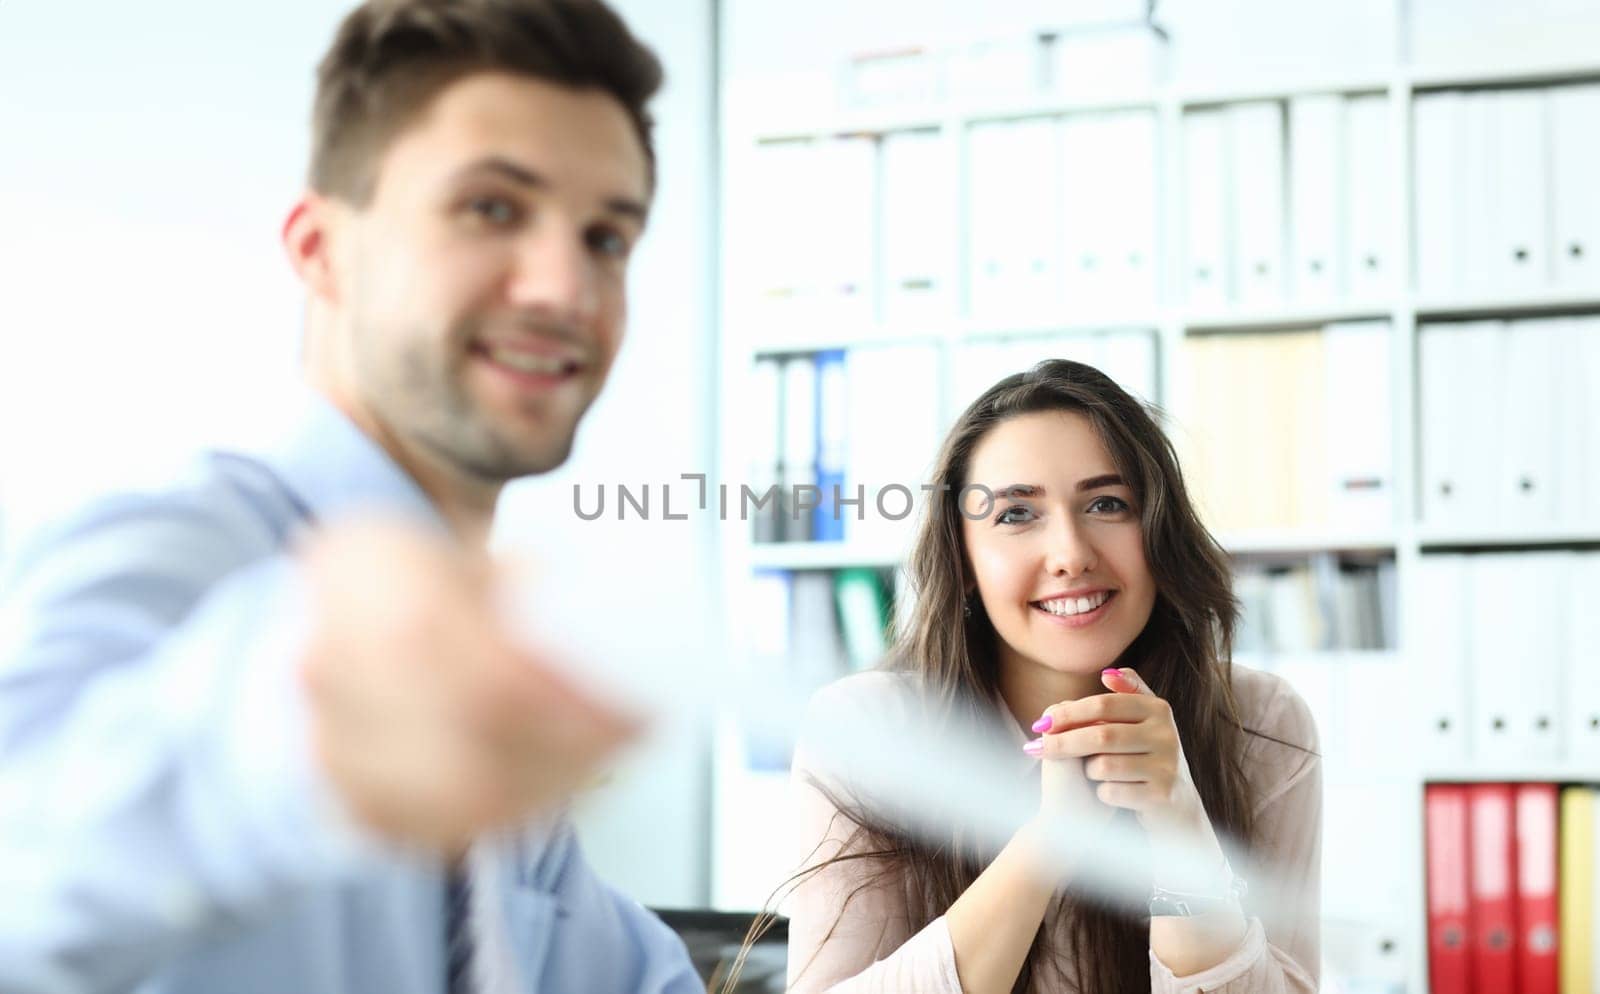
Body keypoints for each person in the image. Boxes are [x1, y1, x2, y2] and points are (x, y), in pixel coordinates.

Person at [0, 2, 702, 992]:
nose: (563, 286)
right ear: (319, 247)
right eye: (492, 208)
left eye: (605, 236)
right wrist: (286, 724)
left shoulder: (485, 681)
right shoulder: (173, 540)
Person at [781, 360, 1322, 993]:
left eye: (1107, 503)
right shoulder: (868, 729)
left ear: (1159, 533)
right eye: (1016, 515)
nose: (1070, 553)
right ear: (962, 558)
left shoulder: (1258, 723)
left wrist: (1180, 828)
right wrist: (1046, 843)